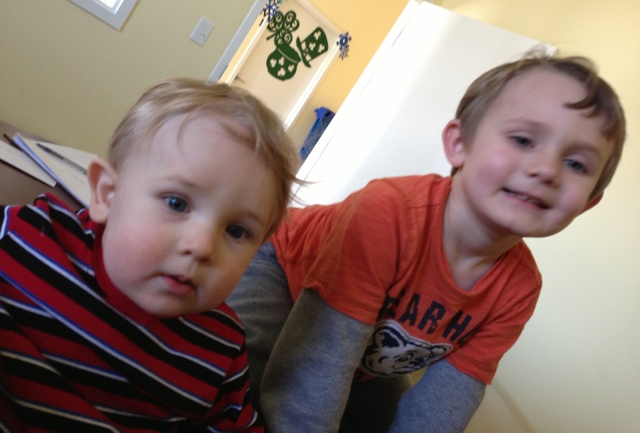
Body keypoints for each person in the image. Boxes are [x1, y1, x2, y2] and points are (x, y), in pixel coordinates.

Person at [227, 52, 627, 432]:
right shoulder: (388, 212)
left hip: (362, 346)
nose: (547, 169)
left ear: (589, 202)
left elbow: (445, 404)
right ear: (459, 144)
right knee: (234, 373)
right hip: (285, 271)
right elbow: (315, 365)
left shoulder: (519, 289)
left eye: (576, 163)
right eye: (523, 140)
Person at [0, 79, 299, 431]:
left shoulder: (222, 349)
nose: (202, 247)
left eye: (236, 231)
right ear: (107, 195)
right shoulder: (28, 234)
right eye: (177, 203)